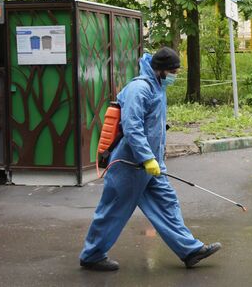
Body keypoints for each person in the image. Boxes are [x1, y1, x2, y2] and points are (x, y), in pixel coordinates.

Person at [79, 47, 221, 271]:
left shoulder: (157, 86)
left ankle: (189, 250)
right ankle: (92, 255)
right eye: (173, 71)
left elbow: (154, 128)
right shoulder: (139, 88)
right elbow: (132, 127)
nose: (175, 75)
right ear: (161, 70)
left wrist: (156, 161)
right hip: (129, 164)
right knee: (114, 210)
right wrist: (147, 158)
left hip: (151, 165)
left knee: (167, 204)